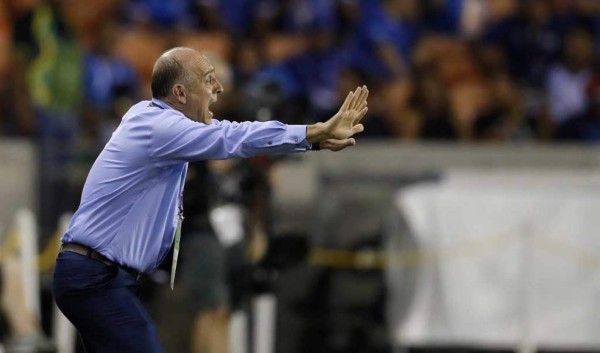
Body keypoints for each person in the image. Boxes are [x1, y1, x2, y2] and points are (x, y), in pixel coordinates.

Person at [52, 46, 368, 353]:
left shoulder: (152, 118)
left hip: (98, 275)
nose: (218, 88)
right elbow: (230, 138)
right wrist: (313, 132)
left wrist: (310, 140)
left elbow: (230, 130)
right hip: (96, 276)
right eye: (208, 79)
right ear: (179, 93)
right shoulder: (160, 127)